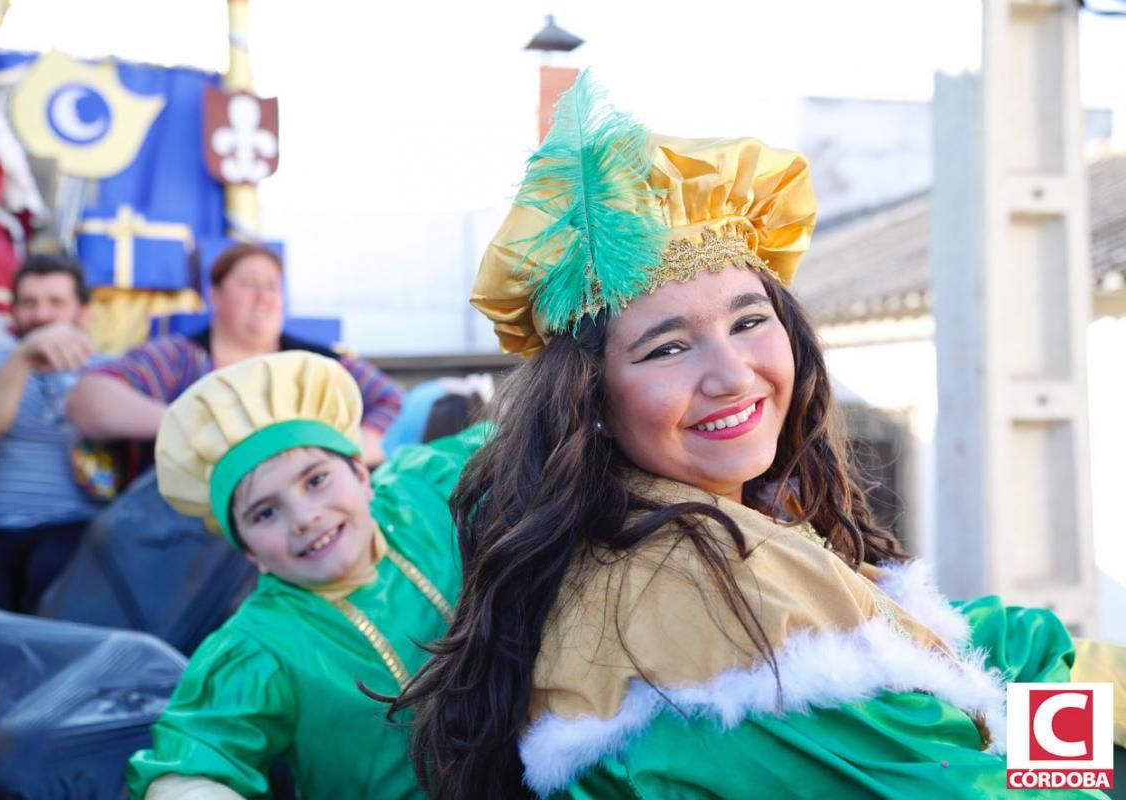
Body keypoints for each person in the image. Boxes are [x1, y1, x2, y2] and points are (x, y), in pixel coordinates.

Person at [388, 74, 1116, 798]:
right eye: (668, 349)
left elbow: (941, 637)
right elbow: (967, 786)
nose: (732, 375)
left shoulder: (699, 524)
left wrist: (1091, 683)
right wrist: (1084, 761)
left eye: (747, 322)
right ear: (592, 402)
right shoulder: (700, 600)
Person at [127, 350, 484, 799]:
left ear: (360, 472)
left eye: (315, 480)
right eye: (265, 512)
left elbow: (531, 442)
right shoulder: (260, 645)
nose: (304, 517)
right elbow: (195, 762)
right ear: (250, 554)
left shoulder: (425, 492)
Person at [67, 243, 401, 468]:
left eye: (272, 286)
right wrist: (191, 425)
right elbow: (89, 398)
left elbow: (392, 401)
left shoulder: (318, 363)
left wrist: (343, 450)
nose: (263, 297)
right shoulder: (180, 358)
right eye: (248, 284)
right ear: (215, 295)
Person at [0, 253, 101, 613]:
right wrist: (23, 359)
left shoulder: (111, 371)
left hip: (77, 533)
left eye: (56, 303)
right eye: (29, 303)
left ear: (84, 313)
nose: (42, 315)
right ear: (13, 313)